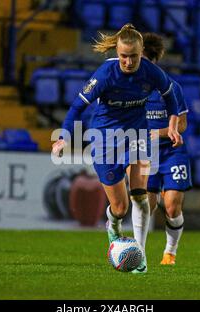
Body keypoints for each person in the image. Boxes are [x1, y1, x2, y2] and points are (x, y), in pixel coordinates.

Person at [52, 24, 183, 273]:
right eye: (123, 56)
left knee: (141, 198)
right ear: (117, 52)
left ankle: (140, 257)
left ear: (141, 51)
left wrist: (173, 125)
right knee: (120, 208)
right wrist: (63, 137)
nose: (128, 61)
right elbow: (76, 108)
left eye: (133, 56)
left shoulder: (151, 72)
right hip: (105, 138)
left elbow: (170, 96)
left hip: (138, 133)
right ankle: (113, 226)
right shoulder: (105, 74)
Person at [142, 33, 192, 266]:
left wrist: (157, 133)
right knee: (146, 207)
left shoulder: (171, 87)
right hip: (145, 152)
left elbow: (181, 124)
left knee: (172, 206)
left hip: (172, 151)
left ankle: (169, 253)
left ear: (151, 60)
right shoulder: (133, 90)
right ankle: (136, 252)